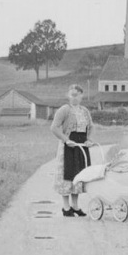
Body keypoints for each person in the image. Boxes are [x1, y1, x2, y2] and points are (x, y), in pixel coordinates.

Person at [50, 84, 94, 217]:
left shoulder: (85, 111)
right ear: (68, 96)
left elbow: (91, 127)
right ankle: (66, 207)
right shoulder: (64, 109)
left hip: (81, 146)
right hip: (68, 146)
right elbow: (54, 127)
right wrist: (65, 139)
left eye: (76, 95)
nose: (74, 98)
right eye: (71, 95)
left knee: (79, 175)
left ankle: (75, 206)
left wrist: (88, 139)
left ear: (81, 95)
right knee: (67, 174)